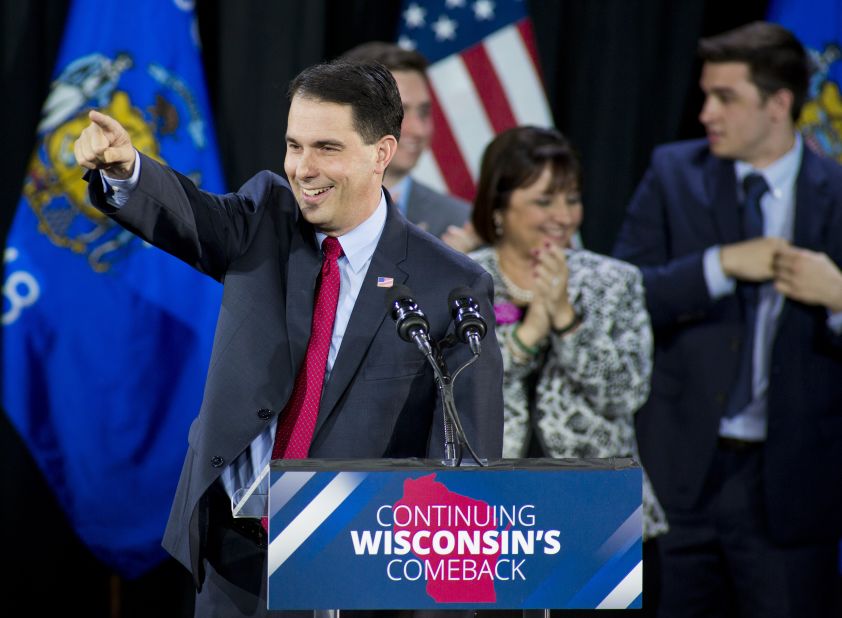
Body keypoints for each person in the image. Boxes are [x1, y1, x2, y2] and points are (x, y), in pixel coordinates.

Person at [74, 59, 503, 617]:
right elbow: (190, 216)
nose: (303, 168)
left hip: (351, 570)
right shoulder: (264, 219)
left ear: (382, 152)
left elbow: (464, 473)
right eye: (294, 145)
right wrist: (127, 167)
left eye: (326, 147)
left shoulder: (451, 285)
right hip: (235, 559)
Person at [613, 21, 842, 617]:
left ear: (779, 104)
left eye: (726, 98)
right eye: (705, 95)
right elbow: (622, 297)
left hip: (791, 487)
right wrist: (717, 266)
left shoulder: (837, 192)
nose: (707, 113)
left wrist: (839, 296)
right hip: (681, 475)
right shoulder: (672, 174)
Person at [466, 126, 666, 615]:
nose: (563, 217)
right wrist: (529, 333)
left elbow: (628, 393)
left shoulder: (614, 281)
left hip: (599, 516)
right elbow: (455, 390)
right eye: (544, 201)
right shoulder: (462, 280)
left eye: (571, 200)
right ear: (499, 206)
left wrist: (568, 322)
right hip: (490, 521)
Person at [340, 41, 471, 241]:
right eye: (400, 111)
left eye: (424, 112)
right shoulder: (299, 213)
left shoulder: (460, 222)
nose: (419, 129)